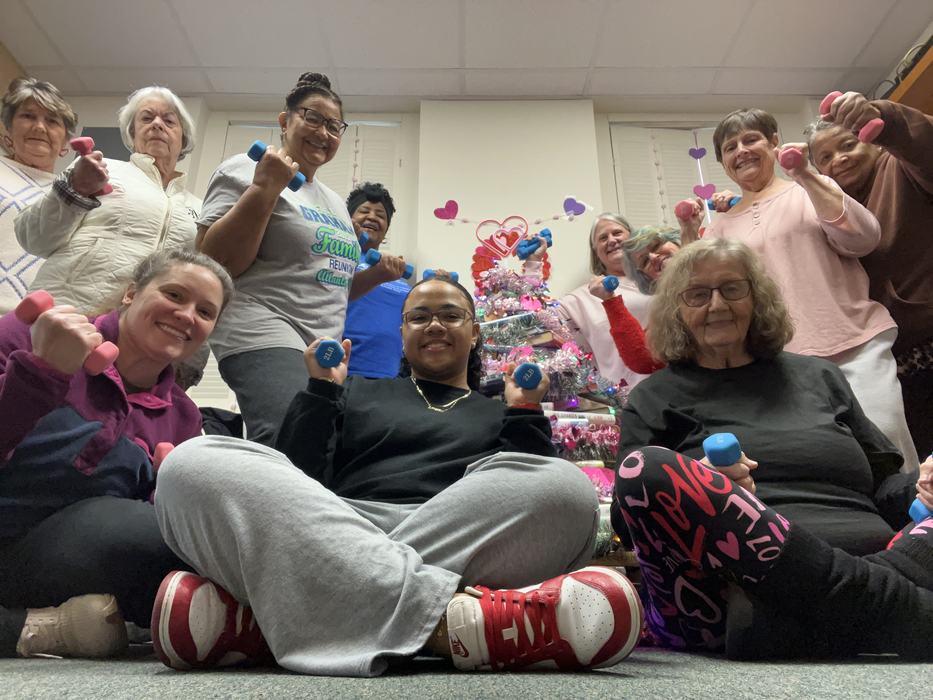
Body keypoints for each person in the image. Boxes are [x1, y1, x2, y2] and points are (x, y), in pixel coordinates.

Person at [149, 275, 642, 676]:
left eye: (451, 315)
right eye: (419, 316)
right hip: (337, 523)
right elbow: (298, 476)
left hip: (458, 532)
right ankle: (453, 623)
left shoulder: (497, 411)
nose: (435, 325)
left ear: (474, 333)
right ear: (402, 334)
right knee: (190, 464)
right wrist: (321, 393)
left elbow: (523, 485)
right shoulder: (355, 389)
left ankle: (271, 620)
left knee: (566, 489)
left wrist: (522, 414)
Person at [610, 237, 932, 659]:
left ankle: (807, 620)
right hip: (725, 590)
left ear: (756, 298)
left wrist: (921, 486)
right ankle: (897, 608)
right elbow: (626, 515)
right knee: (645, 469)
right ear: (676, 311)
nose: (718, 305)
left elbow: (886, 490)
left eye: (732, 289)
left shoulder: (820, 376)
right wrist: (703, 484)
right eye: (698, 294)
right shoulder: (654, 396)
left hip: (833, 575)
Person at [0, 248, 233, 660]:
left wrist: (167, 494)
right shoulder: (27, 333)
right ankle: (27, 628)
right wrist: (42, 373)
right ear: (130, 293)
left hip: (49, 558)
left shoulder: (183, 416)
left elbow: (138, 529)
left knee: (172, 535)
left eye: (205, 311)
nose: (186, 315)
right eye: (175, 295)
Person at [677, 107, 918, 473]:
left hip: (853, 345)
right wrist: (690, 232)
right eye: (730, 147)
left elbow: (863, 238)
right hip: (780, 366)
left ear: (774, 143)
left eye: (751, 139)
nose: (741, 150)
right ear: (723, 163)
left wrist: (804, 173)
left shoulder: (809, 189)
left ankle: (916, 531)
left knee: (888, 450)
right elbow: (694, 291)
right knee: (821, 466)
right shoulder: (721, 226)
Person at [196, 72, 357, 445]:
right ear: (285, 121)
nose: (323, 132)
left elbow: (329, 279)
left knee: (325, 445)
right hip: (262, 326)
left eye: (334, 126)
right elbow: (212, 263)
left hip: (321, 342)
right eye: (312, 118)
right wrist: (265, 187)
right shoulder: (244, 168)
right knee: (291, 433)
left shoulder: (335, 203)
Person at [806, 93, 933, 458]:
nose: (839, 159)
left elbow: (923, 145)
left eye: (848, 145)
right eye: (825, 158)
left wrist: (886, 120)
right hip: (893, 363)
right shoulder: (829, 214)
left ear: (871, 142)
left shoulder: (902, 167)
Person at [526, 212, 653, 390]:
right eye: (603, 238)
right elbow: (535, 319)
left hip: (676, 392)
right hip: (627, 402)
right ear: (596, 252)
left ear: (633, 238)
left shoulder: (659, 279)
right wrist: (533, 263)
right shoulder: (582, 297)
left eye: (617, 233)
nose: (611, 240)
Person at [0, 78, 76, 315]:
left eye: (52, 121)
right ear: (7, 130)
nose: (40, 127)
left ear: (65, 143)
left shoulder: (74, 196)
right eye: (28, 116)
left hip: (32, 327)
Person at [342, 182, 410, 378]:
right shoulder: (339, 259)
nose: (372, 217)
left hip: (392, 378)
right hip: (344, 372)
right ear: (349, 218)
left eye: (380, 215)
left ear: (386, 228)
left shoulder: (399, 276)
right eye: (364, 211)